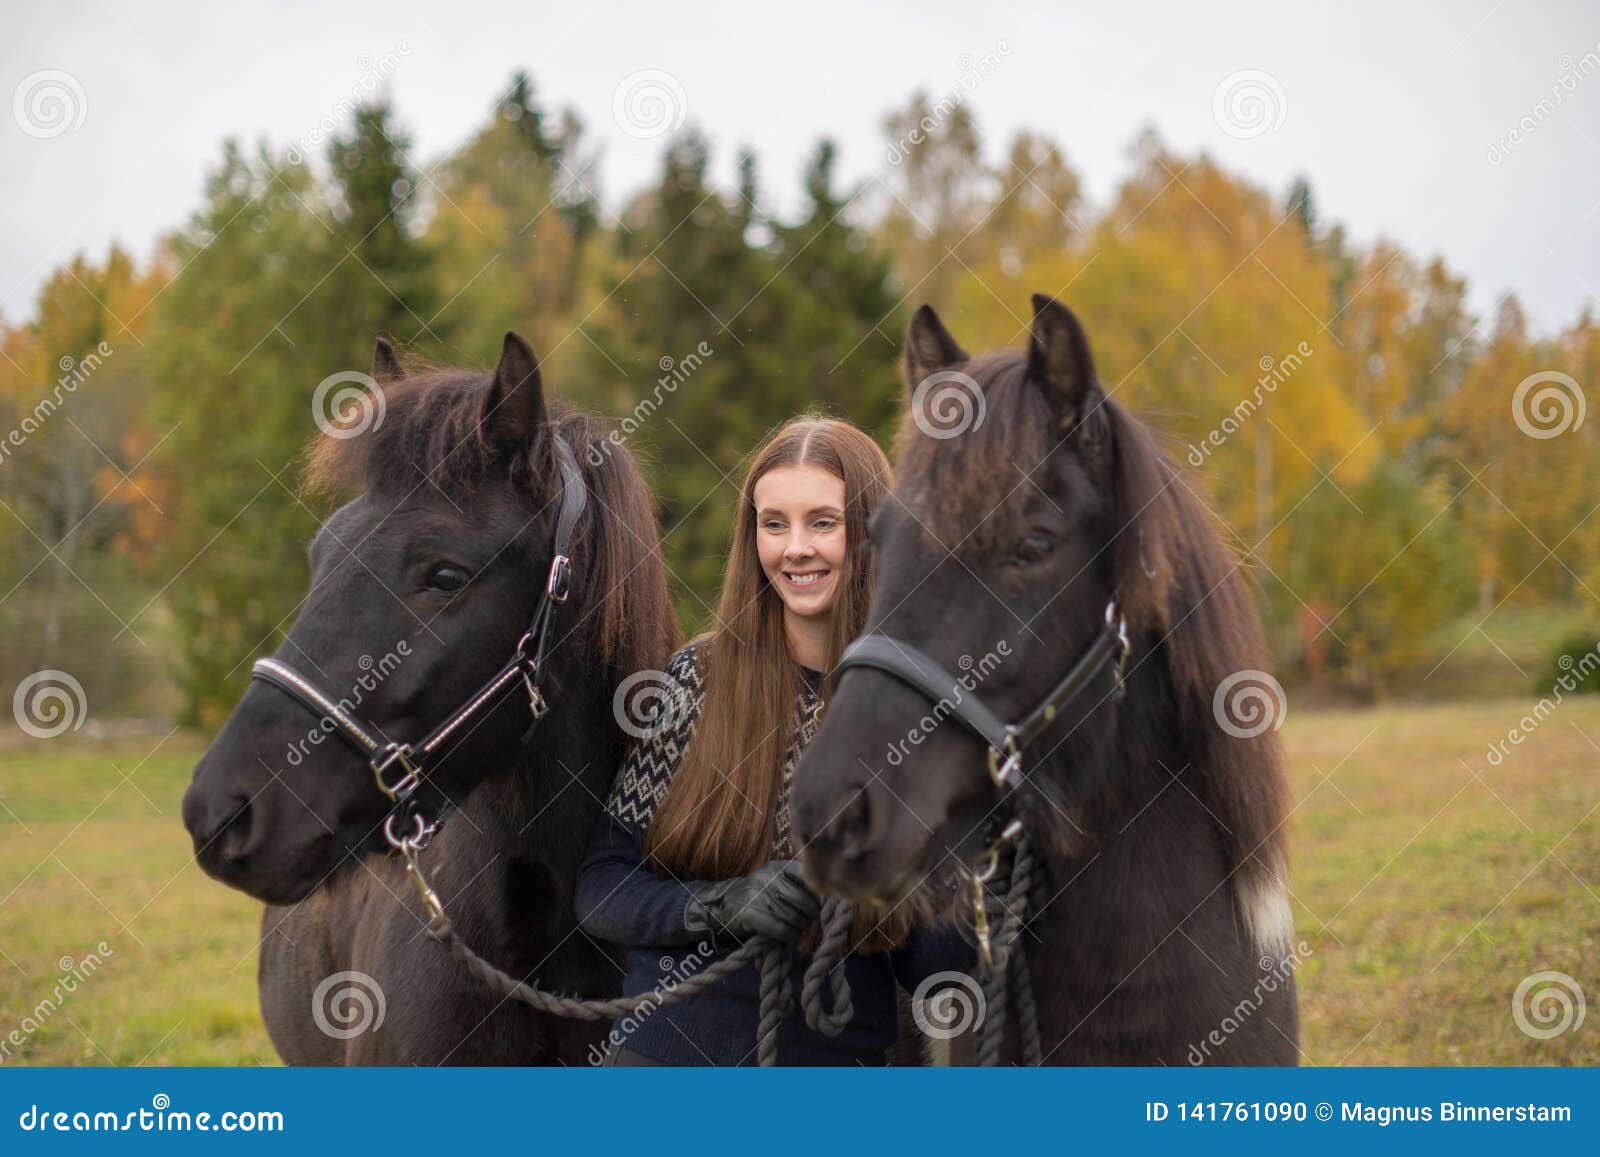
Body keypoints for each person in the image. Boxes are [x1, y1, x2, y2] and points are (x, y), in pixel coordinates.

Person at [575, 415, 972, 1065]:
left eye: (822, 521)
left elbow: (929, 967)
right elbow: (603, 889)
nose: (795, 548)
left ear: (873, 532)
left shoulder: (922, 716)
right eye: (774, 523)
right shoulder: (694, 683)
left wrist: (979, 873)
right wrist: (723, 905)